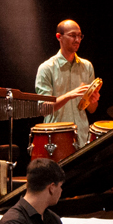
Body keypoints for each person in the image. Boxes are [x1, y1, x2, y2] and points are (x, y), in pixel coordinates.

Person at [35, 19, 99, 149]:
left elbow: (92, 109)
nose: (77, 40)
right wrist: (69, 95)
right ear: (59, 37)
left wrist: (93, 99)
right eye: (72, 35)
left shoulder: (87, 66)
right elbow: (43, 109)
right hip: (56, 139)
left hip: (82, 137)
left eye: (79, 36)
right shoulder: (46, 68)